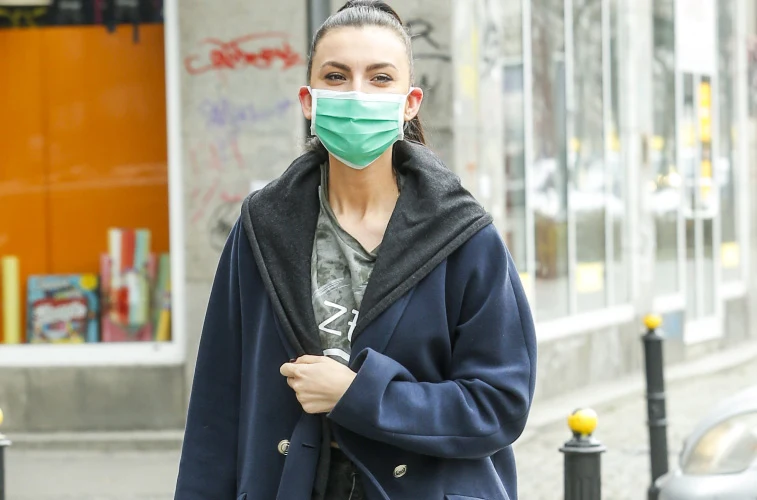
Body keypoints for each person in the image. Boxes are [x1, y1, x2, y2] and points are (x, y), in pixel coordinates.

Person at [174, 1, 537, 499]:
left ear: (410, 103)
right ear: (309, 100)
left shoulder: (464, 235)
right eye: (336, 76)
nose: (357, 94)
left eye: (380, 78)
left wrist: (357, 395)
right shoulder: (262, 227)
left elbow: (499, 404)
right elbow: (217, 407)